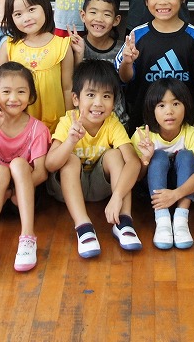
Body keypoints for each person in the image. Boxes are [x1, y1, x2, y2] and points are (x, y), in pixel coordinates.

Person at [45, 61, 142, 257]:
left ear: (114, 102)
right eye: (91, 95)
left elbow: (133, 162)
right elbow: (50, 164)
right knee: (70, 160)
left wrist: (117, 196)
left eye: (106, 96)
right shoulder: (68, 121)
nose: (98, 103)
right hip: (68, 189)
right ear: (76, 98)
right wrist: (70, 141)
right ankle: (83, 227)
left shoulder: (112, 123)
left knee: (115, 155)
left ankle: (124, 221)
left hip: (101, 189)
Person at [0, 62, 50, 277]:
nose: (13, 98)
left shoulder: (38, 129)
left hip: (21, 199)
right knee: (0, 171)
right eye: (6, 92)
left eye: (21, 92)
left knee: (18, 164)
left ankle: (28, 238)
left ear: (31, 95)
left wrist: (16, 190)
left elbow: (41, 172)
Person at [115, 0, 194, 130]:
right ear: (146, 0)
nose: (162, 2)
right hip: (143, 125)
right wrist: (127, 62)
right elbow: (124, 78)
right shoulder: (136, 35)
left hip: (184, 127)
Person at [132, 78, 194, 250]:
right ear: (152, 109)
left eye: (175, 104)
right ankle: (162, 220)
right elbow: (137, 177)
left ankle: (181, 219)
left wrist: (176, 194)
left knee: (186, 156)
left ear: (185, 106)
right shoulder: (143, 135)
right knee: (158, 156)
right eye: (161, 105)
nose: (169, 111)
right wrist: (146, 159)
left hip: (183, 189)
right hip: (153, 190)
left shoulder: (191, 133)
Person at [0, 0, 73, 132]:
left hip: (55, 124)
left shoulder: (62, 45)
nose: (26, 18)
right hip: (19, 125)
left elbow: (67, 88)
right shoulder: (8, 47)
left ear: (45, 7)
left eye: (31, 9)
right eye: (18, 14)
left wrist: (69, 122)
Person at [68, 0, 128, 127]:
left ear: (116, 20)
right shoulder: (74, 47)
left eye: (106, 14)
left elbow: (126, 80)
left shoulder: (123, 49)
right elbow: (72, 82)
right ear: (83, 15)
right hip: (84, 124)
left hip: (116, 122)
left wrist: (127, 61)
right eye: (93, 12)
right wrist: (79, 54)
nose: (99, 19)